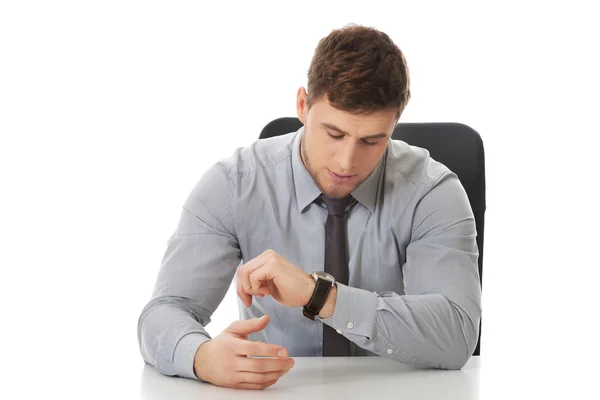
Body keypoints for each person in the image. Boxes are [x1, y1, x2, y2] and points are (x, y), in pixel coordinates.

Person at [137, 23, 481, 391]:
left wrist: (321, 296)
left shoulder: (432, 191)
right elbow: (163, 312)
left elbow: (457, 336)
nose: (347, 162)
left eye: (372, 140)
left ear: (394, 124)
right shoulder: (234, 183)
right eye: (334, 134)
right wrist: (200, 357)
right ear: (303, 105)